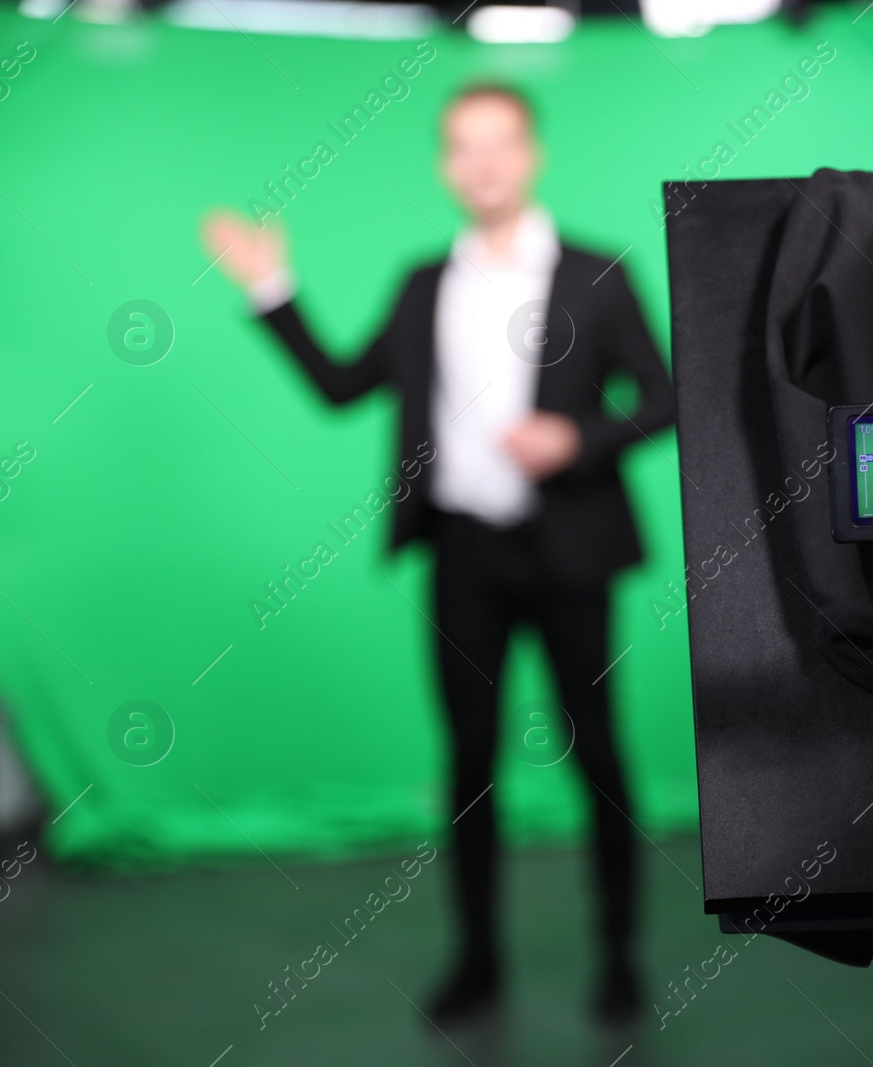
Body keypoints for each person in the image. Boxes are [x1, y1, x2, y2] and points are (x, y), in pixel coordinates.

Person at [199, 83, 672, 1024]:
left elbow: (664, 397)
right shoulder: (424, 284)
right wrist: (269, 289)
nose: (484, 163)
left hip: (572, 549)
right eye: (464, 146)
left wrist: (578, 439)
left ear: (532, 154)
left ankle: (619, 957)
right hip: (462, 555)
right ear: (445, 166)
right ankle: (478, 961)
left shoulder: (597, 275)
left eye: (501, 143)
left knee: (601, 757)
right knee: (467, 762)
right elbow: (341, 384)